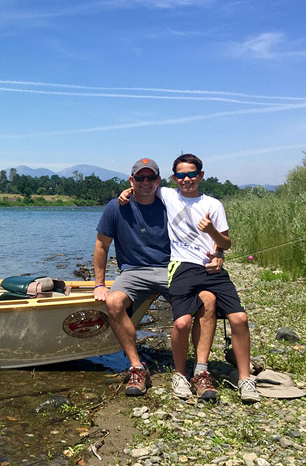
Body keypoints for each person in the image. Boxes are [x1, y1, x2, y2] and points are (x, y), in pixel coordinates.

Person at [94, 158, 220, 398]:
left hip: (171, 269)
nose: (145, 182)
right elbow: (102, 245)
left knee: (207, 300)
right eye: (139, 178)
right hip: (132, 271)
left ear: (158, 181)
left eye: (150, 177)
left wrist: (218, 254)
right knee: (113, 302)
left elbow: (203, 229)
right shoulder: (116, 207)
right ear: (131, 181)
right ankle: (137, 367)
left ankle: (200, 371)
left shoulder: (170, 203)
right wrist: (100, 284)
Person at [158, 153, 259, 403]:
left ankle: (245, 379)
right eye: (180, 175)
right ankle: (180, 375)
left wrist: (212, 233)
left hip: (212, 269)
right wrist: (126, 193)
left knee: (240, 317)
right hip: (182, 267)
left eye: (192, 174)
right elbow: (142, 184)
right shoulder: (168, 195)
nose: (186, 179)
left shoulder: (213, 204)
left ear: (201, 175)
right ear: (174, 178)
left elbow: (226, 242)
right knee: (182, 323)